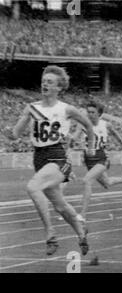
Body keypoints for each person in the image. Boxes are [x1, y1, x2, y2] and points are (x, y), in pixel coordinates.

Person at [2, 65, 95, 256]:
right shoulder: (32, 108)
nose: (45, 84)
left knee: (33, 187)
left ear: (58, 88)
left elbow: (88, 125)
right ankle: (81, 232)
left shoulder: (66, 109)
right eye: (44, 81)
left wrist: (91, 146)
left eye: (50, 82)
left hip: (58, 156)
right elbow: (15, 134)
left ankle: (50, 234)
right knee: (60, 205)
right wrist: (7, 133)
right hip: (39, 158)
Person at [71, 101, 122, 226]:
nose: (90, 115)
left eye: (93, 112)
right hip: (88, 159)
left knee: (86, 180)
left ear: (99, 114)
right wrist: (72, 139)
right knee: (107, 183)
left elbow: (118, 138)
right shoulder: (83, 125)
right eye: (88, 112)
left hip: (101, 158)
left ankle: (82, 215)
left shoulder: (106, 125)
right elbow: (75, 137)